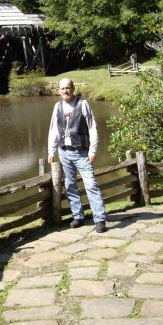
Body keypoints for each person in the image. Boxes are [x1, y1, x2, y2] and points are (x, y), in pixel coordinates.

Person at [47, 78, 107, 233]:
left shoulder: (83, 104)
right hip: (64, 151)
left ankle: (100, 219)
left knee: (91, 185)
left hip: (81, 152)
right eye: (62, 88)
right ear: (59, 91)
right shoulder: (57, 106)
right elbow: (54, 129)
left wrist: (92, 151)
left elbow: (92, 128)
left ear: (73, 88)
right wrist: (51, 151)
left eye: (68, 88)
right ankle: (78, 216)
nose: (65, 91)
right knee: (70, 185)